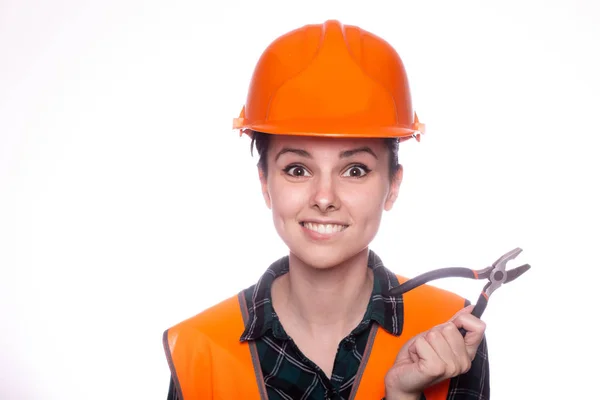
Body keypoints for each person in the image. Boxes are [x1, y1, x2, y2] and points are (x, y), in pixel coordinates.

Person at [163, 19, 490, 400]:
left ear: (393, 185)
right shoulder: (198, 349)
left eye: (355, 170)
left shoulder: (448, 331)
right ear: (265, 182)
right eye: (297, 169)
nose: (324, 196)